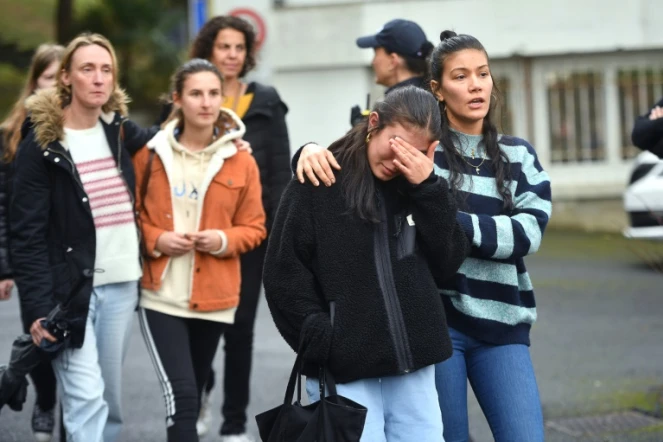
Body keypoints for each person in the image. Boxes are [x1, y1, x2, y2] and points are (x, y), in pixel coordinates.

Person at [293, 30, 553, 442]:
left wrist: (445, 216)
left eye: (483, 74)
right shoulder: (417, 150)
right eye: (461, 76)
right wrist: (306, 148)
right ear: (437, 89)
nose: (475, 85)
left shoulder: (516, 155)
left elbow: (527, 233)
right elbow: (361, 152)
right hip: (437, 323)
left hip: (504, 321)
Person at [263, 85, 470, 442]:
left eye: (414, 152)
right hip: (343, 369)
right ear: (374, 123)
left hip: (413, 365)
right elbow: (283, 270)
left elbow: (449, 259)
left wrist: (429, 189)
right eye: (394, 145)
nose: (397, 162)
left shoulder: (419, 183)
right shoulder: (321, 175)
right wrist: (317, 333)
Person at [9, 33, 157, 442]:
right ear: (67, 79)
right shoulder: (42, 146)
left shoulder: (119, 132)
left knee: (108, 401)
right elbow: (27, 235)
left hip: (122, 286)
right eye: (87, 69)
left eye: (106, 69)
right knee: (86, 397)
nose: (98, 78)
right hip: (70, 293)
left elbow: (176, 137)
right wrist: (39, 307)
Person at [134, 58, 266, 442]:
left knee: (189, 393)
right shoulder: (149, 154)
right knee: (185, 397)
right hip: (161, 294)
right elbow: (130, 216)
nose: (206, 102)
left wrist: (222, 240)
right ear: (178, 98)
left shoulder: (241, 159)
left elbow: (255, 227)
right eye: (195, 93)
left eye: (213, 93)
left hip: (216, 297)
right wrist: (156, 238)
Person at [185, 16, 291, 441]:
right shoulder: (190, 101)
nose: (231, 55)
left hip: (251, 235)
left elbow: (281, 174)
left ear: (248, 55)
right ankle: (200, 391)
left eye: (238, 48)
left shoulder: (265, 101)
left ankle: (233, 426)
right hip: (196, 235)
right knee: (198, 325)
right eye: (223, 46)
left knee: (240, 331)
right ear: (209, 51)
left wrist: (283, 233)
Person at [0, 41, 64, 442]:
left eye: (62, 79)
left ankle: (70, 423)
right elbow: (2, 206)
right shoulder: (10, 134)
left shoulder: (82, 128)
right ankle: (44, 401)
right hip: (30, 255)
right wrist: (4, 266)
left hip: (72, 256)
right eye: (47, 78)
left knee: (70, 341)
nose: (55, 88)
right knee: (41, 332)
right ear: (34, 81)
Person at [349, 19, 433, 126]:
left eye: (376, 54)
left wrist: (363, 133)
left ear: (393, 61)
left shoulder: (400, 109)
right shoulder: (431, 99)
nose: (373, 62)